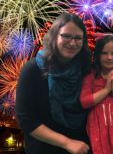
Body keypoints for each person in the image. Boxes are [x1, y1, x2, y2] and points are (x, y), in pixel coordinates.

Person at [16, 13, 92, 154]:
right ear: (54, 36)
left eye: (78, 38)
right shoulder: (32, 70)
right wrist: (67, 143)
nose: (72, 42)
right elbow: (25, 119)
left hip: (83, 149)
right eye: (66, 36)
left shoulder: (87, 70)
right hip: (43, 150)